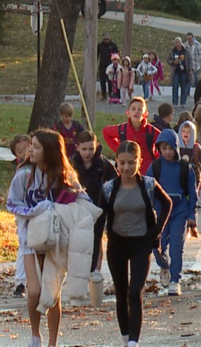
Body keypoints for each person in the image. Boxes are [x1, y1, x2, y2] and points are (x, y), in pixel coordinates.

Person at [6, 129, 91, 347]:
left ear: (50, 151)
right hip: (30, 240)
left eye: (35, 146)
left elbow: (82, 199)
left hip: (56, 241)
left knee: (52, 294)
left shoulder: (65, 175)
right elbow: (12, 204)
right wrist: (36, 211)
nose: (29, 150)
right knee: (34, 291)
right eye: (30, 145)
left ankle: (53, 342)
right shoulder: (24, 175)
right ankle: (35, 335)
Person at [99, 141, 172, 347]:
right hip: (117, 245)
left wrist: (155, 232)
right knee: (121, 292)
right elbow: (99, 216)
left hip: (141, 243)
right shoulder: (109, 188)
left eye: (131, 163)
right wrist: (93, 245)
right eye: (122, 163)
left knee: (135, 291)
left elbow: (167, 204)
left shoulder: (148, 184)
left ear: (139, 162)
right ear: (117, 163)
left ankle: (134, 342)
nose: (126, 167)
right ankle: (125, 338)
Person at [147, 129, 198, 296]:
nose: (167, 152)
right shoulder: (155, 167)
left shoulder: (185, 168)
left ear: (176, 148)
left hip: (179, 213)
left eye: (170, 148)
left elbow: (192, 193)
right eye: (164, 148)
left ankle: (175, 280)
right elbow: (147, 191)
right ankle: (164, 266)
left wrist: (192, 215)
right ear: (159, 149)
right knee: (157, 246)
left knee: (176, 246)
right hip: (160, 214)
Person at [71, 131, 118, 307]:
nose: (88, 152)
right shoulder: (73, 163)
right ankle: (81, 272)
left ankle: (95, 270)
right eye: (84, 149)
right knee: (79, 240)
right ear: (78, 148)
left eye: (91, 148)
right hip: (78, 208)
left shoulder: (103, 164)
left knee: (96, 238)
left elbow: (114, 181)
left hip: (99, 207)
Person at [103, 97, 160, 175]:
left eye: (140, 110)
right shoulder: (122, 130)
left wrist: (156, 159)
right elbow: (106, 132)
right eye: (133, 109)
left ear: (145, 114)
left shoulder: (151, 131)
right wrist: (119, 149)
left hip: (147, 171)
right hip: (126, 171)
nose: (136, 112)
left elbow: (164, 143)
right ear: (128, 113)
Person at [9, 134, 31, 298]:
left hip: (40, 212)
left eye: (27, 148)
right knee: (24, 244)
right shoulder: (22, 171)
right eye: (20, 152)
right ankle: (21, 282)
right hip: (24, 213)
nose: (24, 153)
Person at [167, 37, 190, 108]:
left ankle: (183, 102)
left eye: (179, 42)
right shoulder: (172, 51)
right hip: (176, 71)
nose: (177, 44)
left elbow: (190, 60)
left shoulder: (185, 50)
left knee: (184, 87)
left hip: (184, 71)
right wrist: (173, 62)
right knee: (175, 86)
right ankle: (175, 102)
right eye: (176, 42)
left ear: (181, 43)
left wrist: (191, 69)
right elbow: (168, 60)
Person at [97, 33, 119, 101]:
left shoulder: (113, 45)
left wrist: (116, 63)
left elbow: (117, 54)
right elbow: (97, 54)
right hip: (102, 65)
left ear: (109, 38)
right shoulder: (100, 45)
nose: (106, 40)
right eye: (104, 39)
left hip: (111, 65)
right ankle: (104, 95)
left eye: (107, 39)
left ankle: (111, 94)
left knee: (110, 81)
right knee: (102, 81)